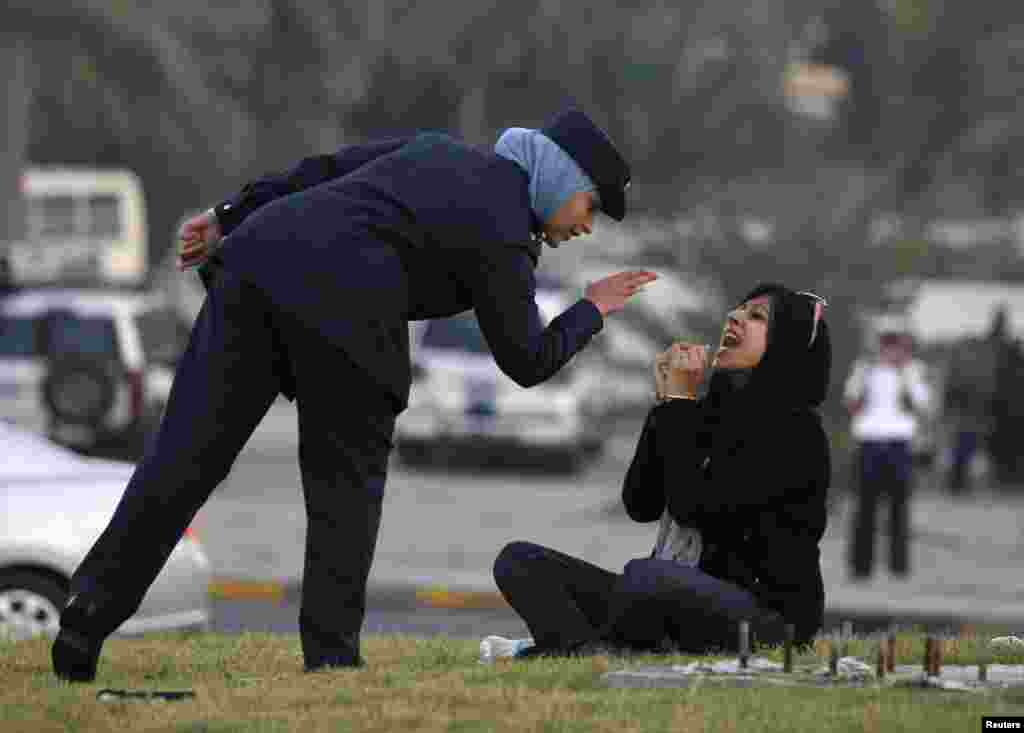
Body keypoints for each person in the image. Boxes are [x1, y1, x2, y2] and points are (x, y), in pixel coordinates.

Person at [51, 108, 659, 681]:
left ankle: (87, 614)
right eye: (590, 206)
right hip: (348, 312)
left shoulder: (434, 150)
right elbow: (529, 361)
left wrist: (229, 213)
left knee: (181, 458)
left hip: (256, 264)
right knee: (345, 491)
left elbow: (327, 169)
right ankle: (331, 659)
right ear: (558, 178)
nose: (585, 226)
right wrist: (592, 308)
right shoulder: (505, 232)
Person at [487, 284, 831, 658]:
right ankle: (581, 650)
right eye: (739, 309)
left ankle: (582, 646)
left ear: (786, 344)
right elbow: (641, 504)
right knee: (520, 562)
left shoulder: (797, 433)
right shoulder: (704, 413)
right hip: (670, 595)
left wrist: (678, 407)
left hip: (764, 618)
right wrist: (666, 408)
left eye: (757, 317)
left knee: (645, 578)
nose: (735, 318)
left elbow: (694, 507)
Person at [843, 316, 933, 579]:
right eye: (886, 342)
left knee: (898, 509)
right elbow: (851, 401)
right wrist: (868, 374)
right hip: (869, 442)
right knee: (865, 508)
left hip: (898, 444)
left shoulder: (913, 369)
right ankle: (861, 566)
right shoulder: (863, 369)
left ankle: (898, 565)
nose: (889, 348)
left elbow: (922, 404)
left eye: (895, 342)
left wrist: (904, 371)